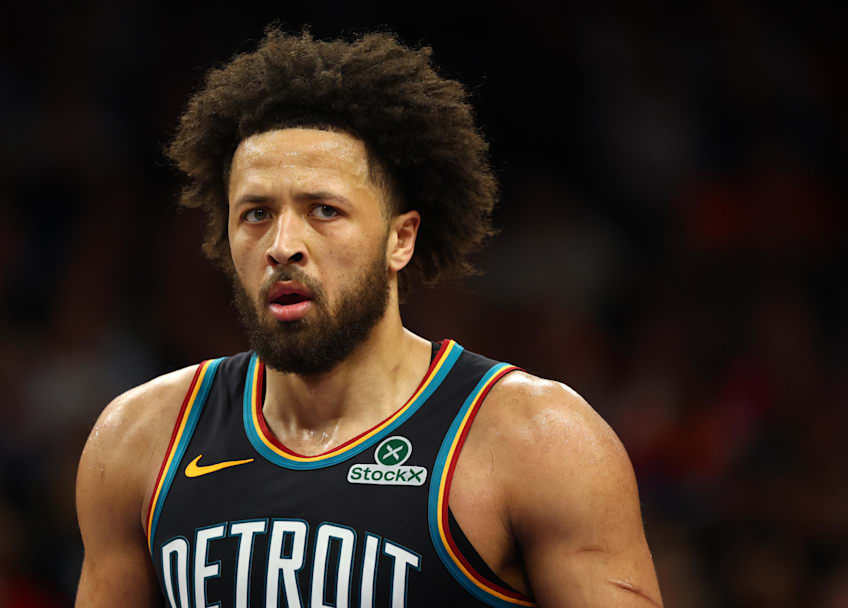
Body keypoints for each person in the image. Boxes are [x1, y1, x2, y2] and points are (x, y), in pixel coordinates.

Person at [75, 28, 662, 608]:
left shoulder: (536, 441)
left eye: (324, 210)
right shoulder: (140, 439)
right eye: (255, 213)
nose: (283, 244)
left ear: (400, 238)